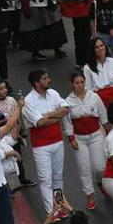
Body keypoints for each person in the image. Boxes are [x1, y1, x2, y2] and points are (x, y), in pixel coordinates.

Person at [24, 68, 70, 211]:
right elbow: (39, 123)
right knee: (45, 180)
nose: (49, 80)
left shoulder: (53, 93)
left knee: (58, 177)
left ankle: (60, 205)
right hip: (41, 146)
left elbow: (66, 109)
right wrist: (57, 116)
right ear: (37, 83)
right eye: (45, 78)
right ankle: (52, 212)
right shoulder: (28, 101)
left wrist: (48, 115)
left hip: (57, 141)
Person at [65, 70, 107, 211]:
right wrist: (71, 138)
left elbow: (103, 115)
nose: (80, 85)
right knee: (84, 168)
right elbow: (67, 123)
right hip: (79, 139)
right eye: (77, 83)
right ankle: (90, 196)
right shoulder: (68, 102)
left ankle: (100, 182)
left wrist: (109, 133)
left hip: (96, 135)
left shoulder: (94, 96)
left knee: (100, 166)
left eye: (82, 82)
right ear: (72, 84)